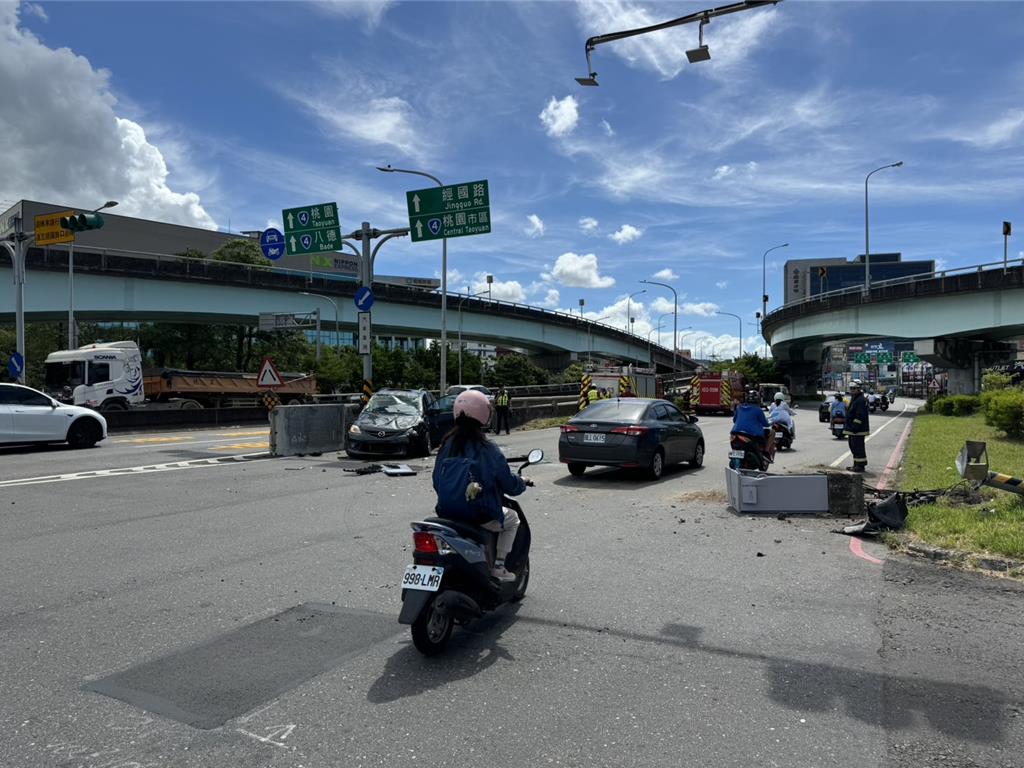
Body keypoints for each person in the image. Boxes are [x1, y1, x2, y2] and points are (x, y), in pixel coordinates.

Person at [432, 390, 530, 581]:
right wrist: (522, 483)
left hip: (446, 511)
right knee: (513, 519)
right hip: (479, 514)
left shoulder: (446, 445)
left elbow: (437, 481)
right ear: (484, 414)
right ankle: (499, 566)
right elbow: (509, 484)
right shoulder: (487, 448)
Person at [731, 389, 772, 460]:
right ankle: (766, 452)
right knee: (772, 432)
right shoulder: (758, 410)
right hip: (752, 435)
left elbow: (734, 420)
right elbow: (765, 424)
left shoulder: (739, 407)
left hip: (735, 433)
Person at [844, 380, 870, 472]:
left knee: (858, 447)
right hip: (853, 429)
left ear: (859, 389)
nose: (851, 390)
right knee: (853, 447)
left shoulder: (860, 400)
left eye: (854, 388)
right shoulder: (855, 398)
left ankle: (860, 466)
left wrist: (855, 426)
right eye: (850, 388)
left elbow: (860, 415)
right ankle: (856, 465)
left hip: (858, 430)